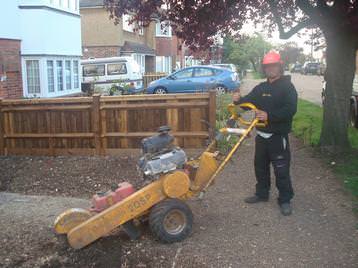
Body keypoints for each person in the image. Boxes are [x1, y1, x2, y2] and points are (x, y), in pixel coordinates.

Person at [233, 51, 298, 216]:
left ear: (280, 66)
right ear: (265, 69)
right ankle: (262, 194)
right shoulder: (261, 88)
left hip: (278, 136)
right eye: (268, 66)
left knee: (281, 170)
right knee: (260, 167)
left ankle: (285, 200)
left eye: (273, 66)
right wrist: (238, 100)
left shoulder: (287, 87)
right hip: (261, 136)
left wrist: (269, 116)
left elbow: (290, 110)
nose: (271, 69)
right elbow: (248, 102)